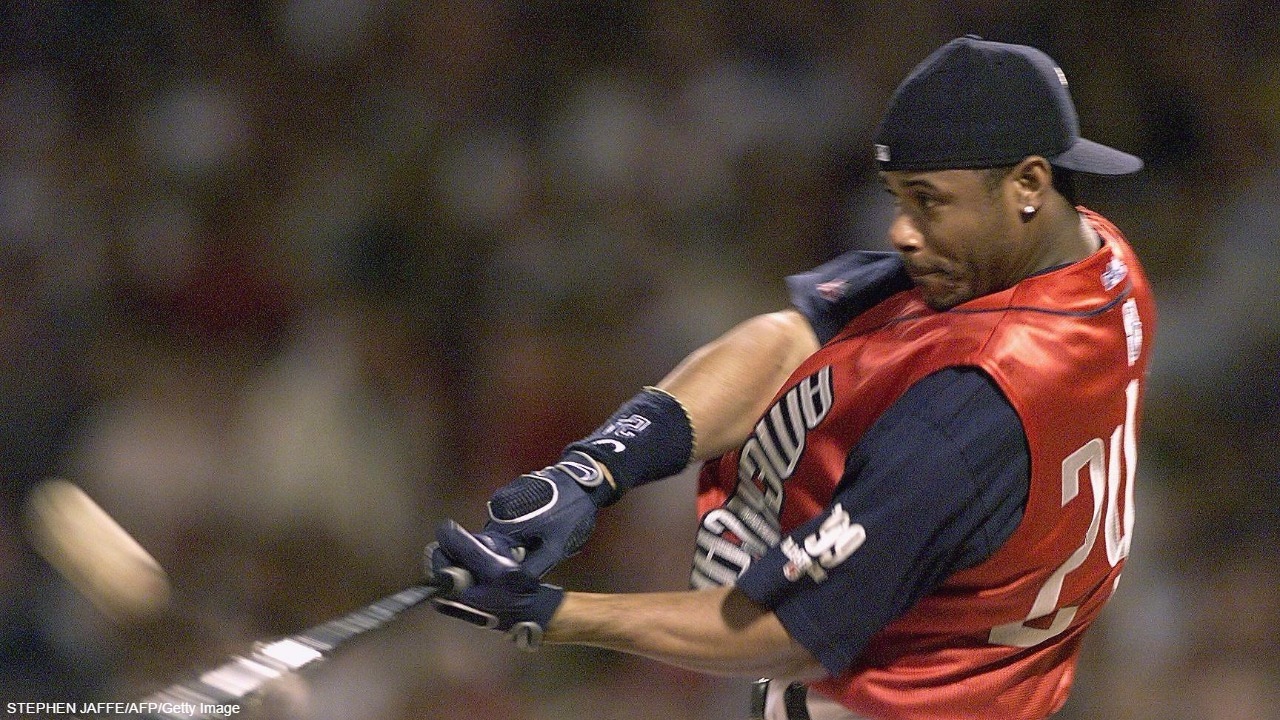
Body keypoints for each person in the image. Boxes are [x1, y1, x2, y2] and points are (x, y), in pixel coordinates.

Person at [426, 35, 1155, 720]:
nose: (902, 230)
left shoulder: (967, 413)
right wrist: (596, 468)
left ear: (1028, 182)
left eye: (927, 199)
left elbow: (782, 628)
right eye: (899, 198)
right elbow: (790, 342)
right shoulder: (1095, 265)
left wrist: (550, 614)